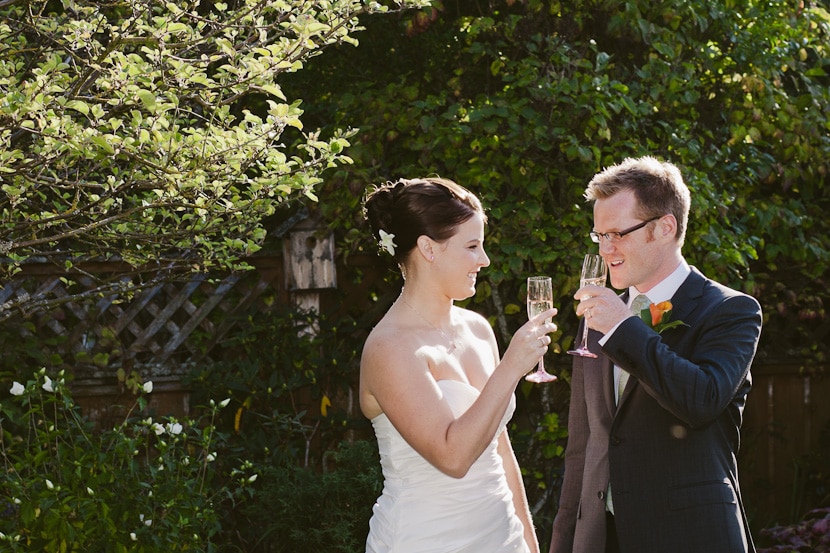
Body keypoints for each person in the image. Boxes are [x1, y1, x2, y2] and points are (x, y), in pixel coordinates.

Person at [549, 157, 762, 553]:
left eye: (617, 233)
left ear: (665, 227)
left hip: (689, 536)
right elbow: (583, 442)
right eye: (598, 236)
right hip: (601, 538)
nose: (605, 248)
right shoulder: (598, 314)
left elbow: (700, 400)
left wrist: (622, 328)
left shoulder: (731, 311)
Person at [361, 177, 555, 553]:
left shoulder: (478, 330)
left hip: (502, 538)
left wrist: (529, 544)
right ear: (428, 249)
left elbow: (499, 448)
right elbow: (452, 457)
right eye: (472, 246)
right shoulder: (389, 348)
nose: (484, 260)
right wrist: (512, 366)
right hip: (426, 540)